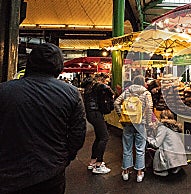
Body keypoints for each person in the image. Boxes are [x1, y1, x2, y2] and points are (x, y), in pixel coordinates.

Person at [0, 43, 86, 194]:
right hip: (51, 173)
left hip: (9, 175)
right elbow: (78, 134)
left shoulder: (4, 90)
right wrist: (64, 158)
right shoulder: (71, 93)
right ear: (59, 65)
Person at [114, 75, 153, 182]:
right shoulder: (146, 93)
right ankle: (139, 173)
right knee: (140, 149)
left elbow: (116, 102)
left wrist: (121, 116)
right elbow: (149, 108)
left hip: (128, 123)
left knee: (127, 148)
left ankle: (126, 171)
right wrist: (148, 122)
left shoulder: (127, 92)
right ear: (143, 82)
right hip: (141, 124)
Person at [82, 74, 114, 174]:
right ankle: (99, 164)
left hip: (91, 114)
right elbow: (105, 88)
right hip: (96, 114)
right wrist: (111, 91)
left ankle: (92, 162)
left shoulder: (88, 90)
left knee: (99, 137)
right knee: (104, 137)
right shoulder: (97, 85)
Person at [147, 109, 187, 176]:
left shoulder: (163, 128)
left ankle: (161, 170)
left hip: (170, 154)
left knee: (158, 150)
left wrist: (148, 138)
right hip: (180, 155)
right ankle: (175, 167)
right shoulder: (175, 126)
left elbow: (156, 144)